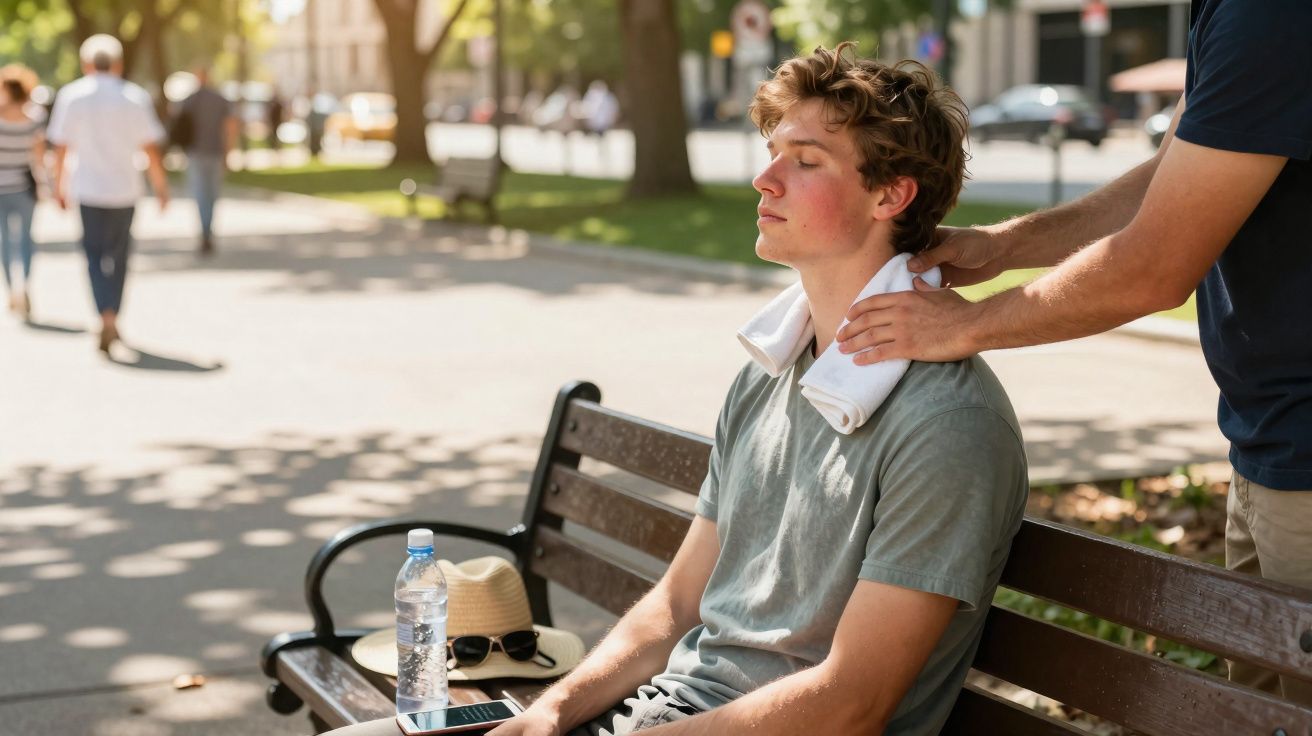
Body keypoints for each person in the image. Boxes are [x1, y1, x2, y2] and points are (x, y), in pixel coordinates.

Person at [328, 44, 1028, 736]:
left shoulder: (948, 424)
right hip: (663, 712)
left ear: (890, 195)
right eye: (773, 152)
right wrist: (550, 713)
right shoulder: (770, 371)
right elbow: (675, 604)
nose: (764, 179)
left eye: (806, 161)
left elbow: (850, 704)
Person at [836, 0, 1312, 704]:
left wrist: (962, 326)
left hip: (1301, 451)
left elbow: (1154, 267)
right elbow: (1171, 176)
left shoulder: (1271, 14)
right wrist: (1006, 246)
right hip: (1269, 442)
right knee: (1264, 712)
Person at [47, 34, 169, 354]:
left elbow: (61, 147)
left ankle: (104, 313)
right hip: (124, 189)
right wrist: (161, 187)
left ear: (86, 64)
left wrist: (57, 186)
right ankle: (113, 312)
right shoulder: (134, 97)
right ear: (118, 64)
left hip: (87, 189)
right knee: (119, 255)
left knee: (93, 254)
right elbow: (150, 148)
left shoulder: (72, 96)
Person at [177, 62, 238, 256]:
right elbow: (230, 127)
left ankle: (205, 231)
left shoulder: (189, 100)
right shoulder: (219, 99)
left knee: (200, 194)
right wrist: (228, 152)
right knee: (212, 195)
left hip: (196, 153)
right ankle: (207, 230)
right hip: (214, 152)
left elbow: (179, 126)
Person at [0, 63, 46, 320]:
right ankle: (25, 284)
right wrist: (46, 186)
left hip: (1, 189)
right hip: (25, 188)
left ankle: (10, 291)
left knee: (5, 240)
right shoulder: (34, 119)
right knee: (26, 239)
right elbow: (38, 158)